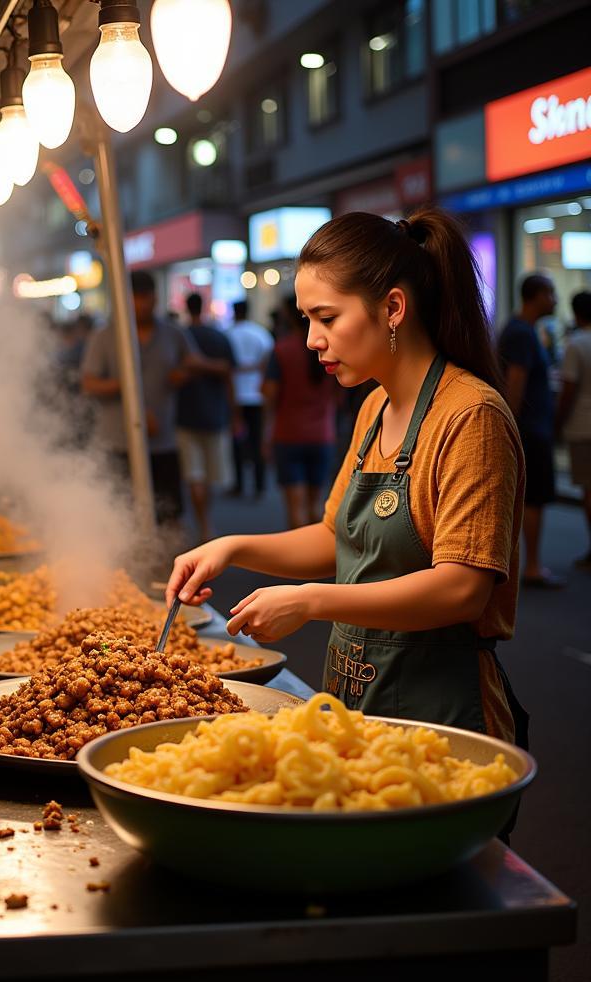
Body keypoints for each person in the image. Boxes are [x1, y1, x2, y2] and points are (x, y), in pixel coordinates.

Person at [167, 209, 528, 751]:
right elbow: (337, 537)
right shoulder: (375, 406)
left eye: (327, 318)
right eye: (307, 319)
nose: (313, 340)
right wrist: (231, 547)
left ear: (393, 308)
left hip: (444, 722)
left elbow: (461, 589)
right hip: (359, 706)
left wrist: (311, 601)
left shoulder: (471, 415)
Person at [82, 271, 192, 524]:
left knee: (169, 517)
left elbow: (190, 363)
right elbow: (89, 383)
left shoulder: (173, 334)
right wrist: (126, 386)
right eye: (135, 298)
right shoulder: (104, 336)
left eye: (146, 297)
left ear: (155, 298)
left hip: (163, 444)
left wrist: (183, 374)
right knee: (121, 520)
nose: (140, 304)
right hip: (118, 445)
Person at [499, 274, 563, 588]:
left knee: (531, 497)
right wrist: (509, 428)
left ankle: (532, 564)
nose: (555, 299)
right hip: (528, 430)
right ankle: (533, 566)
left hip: (532, 429)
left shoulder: (523, 331)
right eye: (550, 293)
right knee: (532, 497)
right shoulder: (521, 333)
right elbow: (515, 384)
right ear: (535, 295)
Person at [263, 295, 338, 528]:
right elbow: (339, 394)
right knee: (316, 507)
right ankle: (319, 561)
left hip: (288, 434)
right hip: (322, 434)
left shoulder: (282, 350)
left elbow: (269, 394)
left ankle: (300, 561)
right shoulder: (330, 347)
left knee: (295, 509)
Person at [175, 292, 236, 541]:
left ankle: (202, 523)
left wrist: (195, 366)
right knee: (210, 476)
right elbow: (229, 374)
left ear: (186, 309)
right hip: (215, 414)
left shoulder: (179, 337)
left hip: (185, 415)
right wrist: (235, 413)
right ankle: (206, 523)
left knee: (194, 475)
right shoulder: (218, 336)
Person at [557, 290, 591, 568]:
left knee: (589, 490)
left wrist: (557, 422)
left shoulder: (576, 344)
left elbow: (568, 389)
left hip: (582, 426)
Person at [226, 298, 273, 498]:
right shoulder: (260, 333)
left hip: (234, 394)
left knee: (236, 442)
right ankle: (260, 484)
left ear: (234, 312)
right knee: (256, 440)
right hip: (257, 394)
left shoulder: (227, 334)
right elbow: (268, 361)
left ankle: (238, 484)